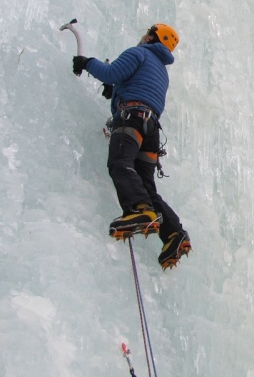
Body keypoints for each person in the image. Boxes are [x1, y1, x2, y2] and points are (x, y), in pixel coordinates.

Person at [72, 23, 191, 270]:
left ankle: (139, 209)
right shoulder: (161, 71)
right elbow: (137, 86)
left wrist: (86, 62)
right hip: (151, 130)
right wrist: (114, 93)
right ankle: (173, 234)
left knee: (120, 163)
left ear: (151, 37)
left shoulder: (139, 53)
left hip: (132, 119)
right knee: (146, 184)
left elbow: (111, 73)